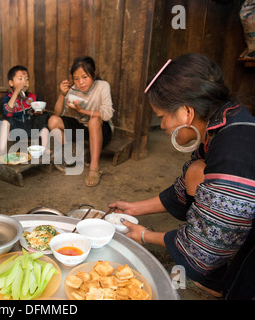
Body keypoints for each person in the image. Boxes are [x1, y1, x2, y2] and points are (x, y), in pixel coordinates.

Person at [109, 53, 255, 299]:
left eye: (162, 117)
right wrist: (133, 209)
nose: (163, 126)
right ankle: (211, 279)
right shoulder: (224, 121)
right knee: (196, 169)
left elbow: (208, 241)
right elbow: (184, 187)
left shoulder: (234, 148)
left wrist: (145, 235)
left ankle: (217, 279)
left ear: (186, 112)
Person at [48, 56, 114, 187]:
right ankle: (72, 154)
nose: (80, 83)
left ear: (93, 75)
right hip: (82, 128)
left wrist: (82, 111)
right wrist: (62, 94)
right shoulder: (73, 90)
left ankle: (94, 168)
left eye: (85, 77)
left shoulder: (102, 86)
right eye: (76, 79)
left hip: (101, 130)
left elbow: (107, 114)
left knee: (94, 121)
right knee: (53, 121)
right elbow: (57, 114)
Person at [0, 65, 50, 158]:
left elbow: (40, 110)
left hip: (31, 127)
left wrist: (40, 111)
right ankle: (2, 151)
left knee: (43, 120)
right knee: (5, 121)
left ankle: (44, 148)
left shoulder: (32, 97)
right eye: (20, 79)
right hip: (16, 129)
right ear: (11, 83)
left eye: (26, 79)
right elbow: (7, 112)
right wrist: (16, 92)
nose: (24, 82)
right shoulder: (8, 97)